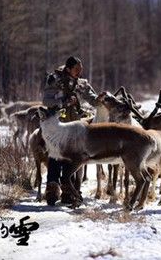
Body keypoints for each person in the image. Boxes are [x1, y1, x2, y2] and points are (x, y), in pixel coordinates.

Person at [42, 56, 97, 207]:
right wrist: (63, 102)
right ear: (68, 69)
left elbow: (92, 98)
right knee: (55, 156)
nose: (79, 72)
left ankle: (68, 192)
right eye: (76, 70)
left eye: (81, 70)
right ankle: (52, 190)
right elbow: (46, 101)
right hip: (57, 126)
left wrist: (102, 99)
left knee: (72, 158)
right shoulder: (54, 80)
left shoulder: (81, 84)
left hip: (74, 128)